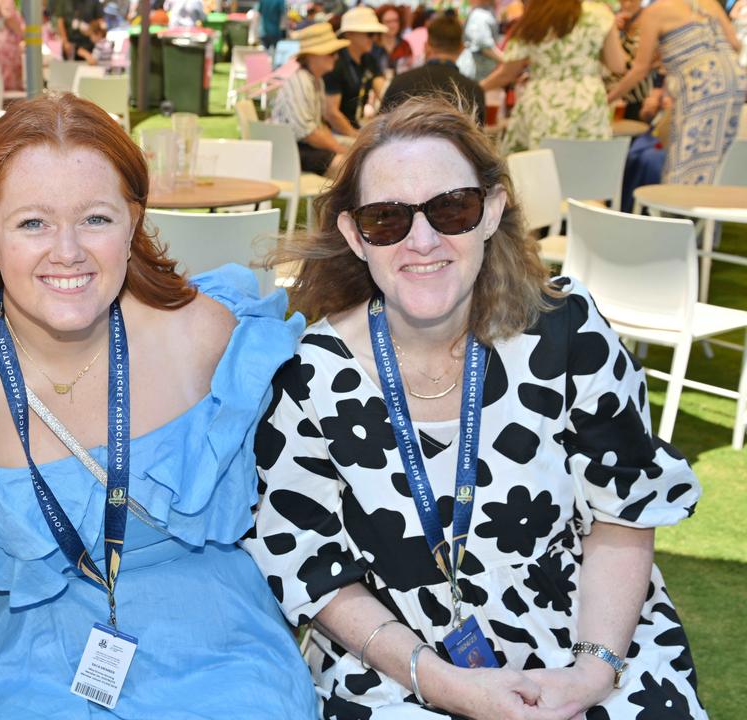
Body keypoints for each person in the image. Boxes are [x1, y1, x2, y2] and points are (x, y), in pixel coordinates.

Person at [0, 93, 317, 719]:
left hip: (218, 643)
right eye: (32, 223)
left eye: (95, 219)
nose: (67, 251)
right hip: (26, 654)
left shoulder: (205, 337)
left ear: (133, 222)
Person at [245, 95, 707, 719]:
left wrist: (592, 674)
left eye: (451, 208)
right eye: (388, 220)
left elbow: (622, 516)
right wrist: (442, 683)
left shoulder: (568, 335)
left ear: (491, 211)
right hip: (397, 661)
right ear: (356, 236)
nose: (423, 240)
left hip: (589, 634)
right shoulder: (308, 376)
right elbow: (315, 569)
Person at [607, 0, 745, 184]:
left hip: (701, 82)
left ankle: (682, 207)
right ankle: (710, 202)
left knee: (688, 155)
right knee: (721, 152)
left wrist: (608, 98)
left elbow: (640, 69)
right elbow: (734, 44)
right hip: (734, 79)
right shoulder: (709, 3)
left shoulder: (655, 12)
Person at [481, 0, 627, 153]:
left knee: (539, 166)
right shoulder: (599, 13)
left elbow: (508, 73)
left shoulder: (536, 15)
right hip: (587, 101)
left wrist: (479, 86)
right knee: (586, 163)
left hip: (542, 102)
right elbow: (618, 65)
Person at [272, 22, 351, 175]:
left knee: (357, 152)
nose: (336, 57)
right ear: (312, 55)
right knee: (348, 164)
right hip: (290, 151)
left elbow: (317, 128)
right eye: (331, 53)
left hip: (299, 146)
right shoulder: (300, 81)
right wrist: (340, 149)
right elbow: (309, 134)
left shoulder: (314, 80)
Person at [381, 15, 486, 125]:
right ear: (461, 48)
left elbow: (380, 129)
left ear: (427, 46)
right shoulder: (473, 90)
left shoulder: (400, 82)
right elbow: (475, 138)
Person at [325, 6, 390, 133]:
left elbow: (383, 92)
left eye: (375, 34)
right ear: (350, 34)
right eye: (369, 34)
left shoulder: (369, 59)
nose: (373, 38)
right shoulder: (335, 63)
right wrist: (355, 137)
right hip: (337, 132)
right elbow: (331, 113)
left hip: (359, 126)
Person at [457, 0, 501, 80]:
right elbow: (485, 47)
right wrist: (507, 61)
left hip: (478, 72)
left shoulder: (482, 12)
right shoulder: (480, 15)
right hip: (477, 73)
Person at [372, 4, 413, 74]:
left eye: (395, 20)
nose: (392, 25)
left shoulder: (405, 45)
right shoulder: (372, 46)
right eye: (388, 22)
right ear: (379, 23)